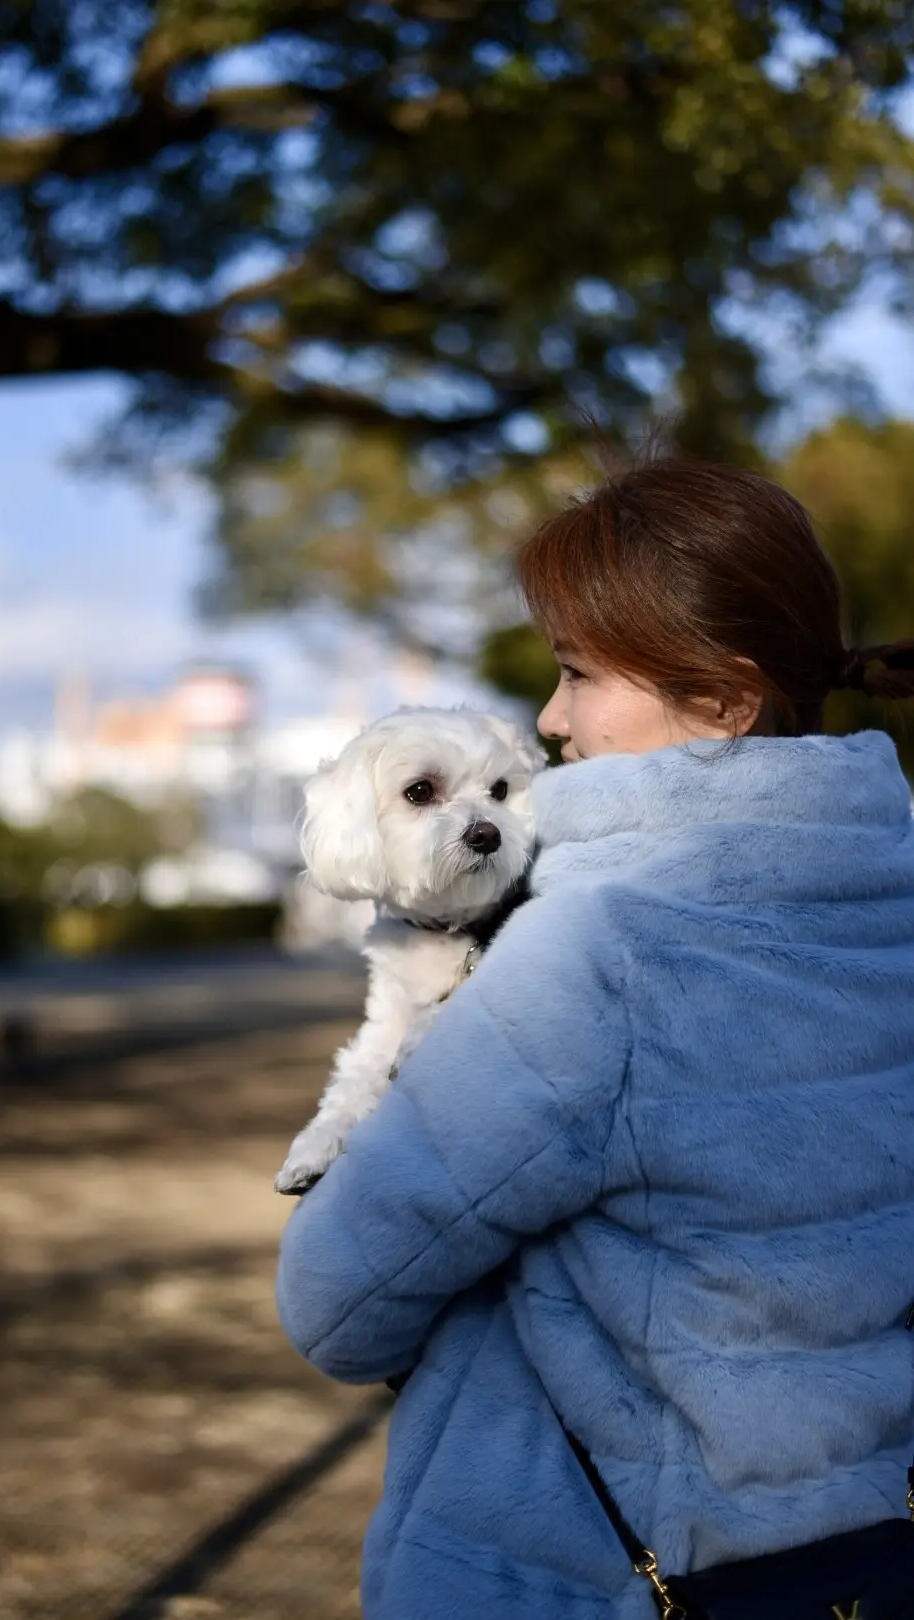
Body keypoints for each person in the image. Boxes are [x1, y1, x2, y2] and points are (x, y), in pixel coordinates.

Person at [275, 456, 914, 1620]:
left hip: (594, 1575)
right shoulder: (898, 905)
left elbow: (335, 1304)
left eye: (576, 674)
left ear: (722, 699)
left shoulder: (598, 953)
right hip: (868, 1549)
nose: (548, 719)